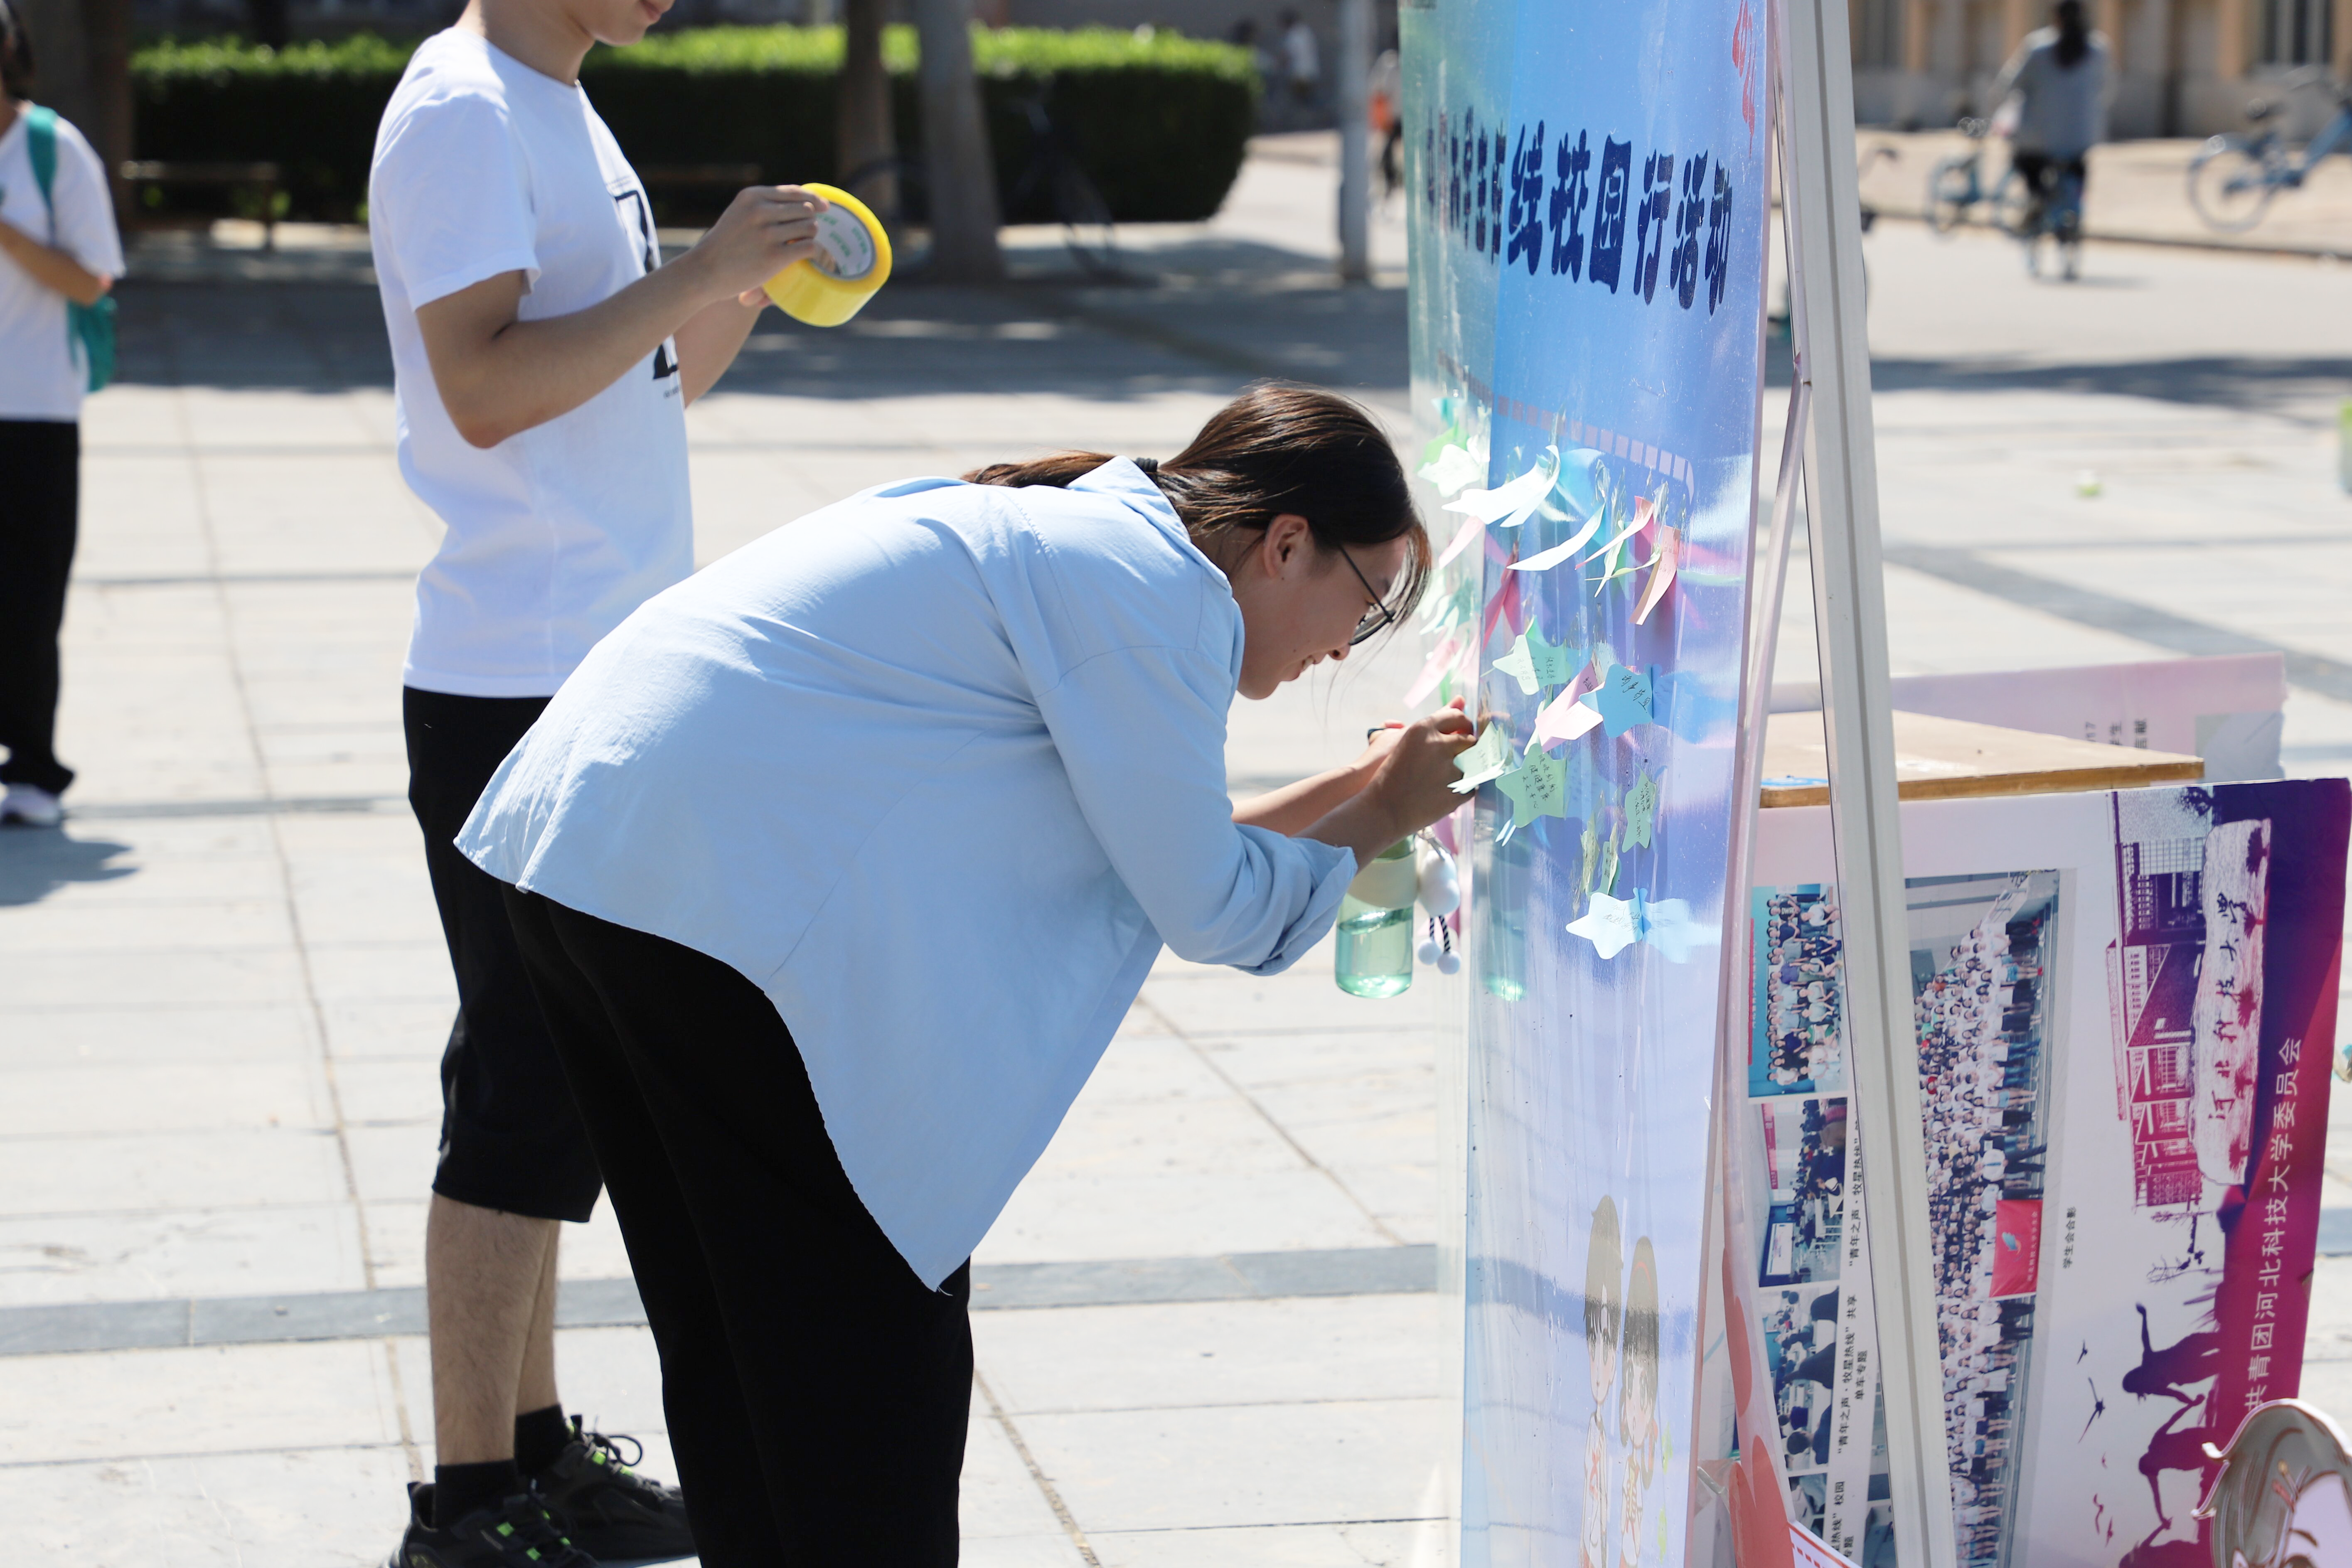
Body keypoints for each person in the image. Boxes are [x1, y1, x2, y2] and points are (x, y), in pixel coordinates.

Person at [453, 384, 1474, 1564]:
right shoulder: (1155, 592)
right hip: (692, 901)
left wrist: (1370, 804)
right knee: (866, 1368)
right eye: (1366, 599)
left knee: (740, 1346)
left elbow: (1169, 845)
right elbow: (1212, 905)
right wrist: (1386, 811)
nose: (1345, 646)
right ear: (1287, 541)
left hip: (594, 857)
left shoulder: (1091, 535)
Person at [365, 0, 829, 1560]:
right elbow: (483, 391)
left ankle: (538, 1450)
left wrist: (737, 282)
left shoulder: (553, 101)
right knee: (523, 1087)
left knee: (560, 1084)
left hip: (584, 667)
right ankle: (465, 1504)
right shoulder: (461, 112)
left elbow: (640, 382)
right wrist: (692, 269)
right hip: (516, 677)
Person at [0, 0, 121, 829]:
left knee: (29, 600)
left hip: (34, 410)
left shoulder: (51, 150)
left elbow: (94, 280)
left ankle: (33, 770)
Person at [1993, 0, 2112, 280]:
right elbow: (2107, 89)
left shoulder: (2038, 47)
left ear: (2055, 18)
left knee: (2024, 164)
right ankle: (2073, 221)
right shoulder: (2098, 49)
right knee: (2077, 176)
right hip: (2081, 137)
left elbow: (2009, 84)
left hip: (2038, 139)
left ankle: (2036, 201)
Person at [1279, 10, 1321, 127]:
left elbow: (1287, 55)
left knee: (1298, 102)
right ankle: (1310, 123)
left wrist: (1278, 65)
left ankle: (1300, 124)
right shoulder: (1306, 31)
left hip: (1298, 75)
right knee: (1307, 101)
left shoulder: (1292, 34)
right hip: (1312, 73)